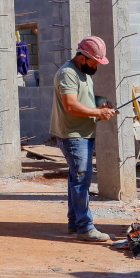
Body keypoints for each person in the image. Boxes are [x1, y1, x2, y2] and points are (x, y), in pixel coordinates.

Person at [49, 36, 117, 242]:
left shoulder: (84, 73)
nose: (96, 66)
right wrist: (98, 113)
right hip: (73, 135)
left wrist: (101, 105)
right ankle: (85, 227)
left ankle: (75, 222)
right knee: (81, 180)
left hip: (83, 133)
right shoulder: (68, 73)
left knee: (76, 179)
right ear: (82, 57)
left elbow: (83, 99)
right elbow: (70, 105)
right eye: (94, 62)